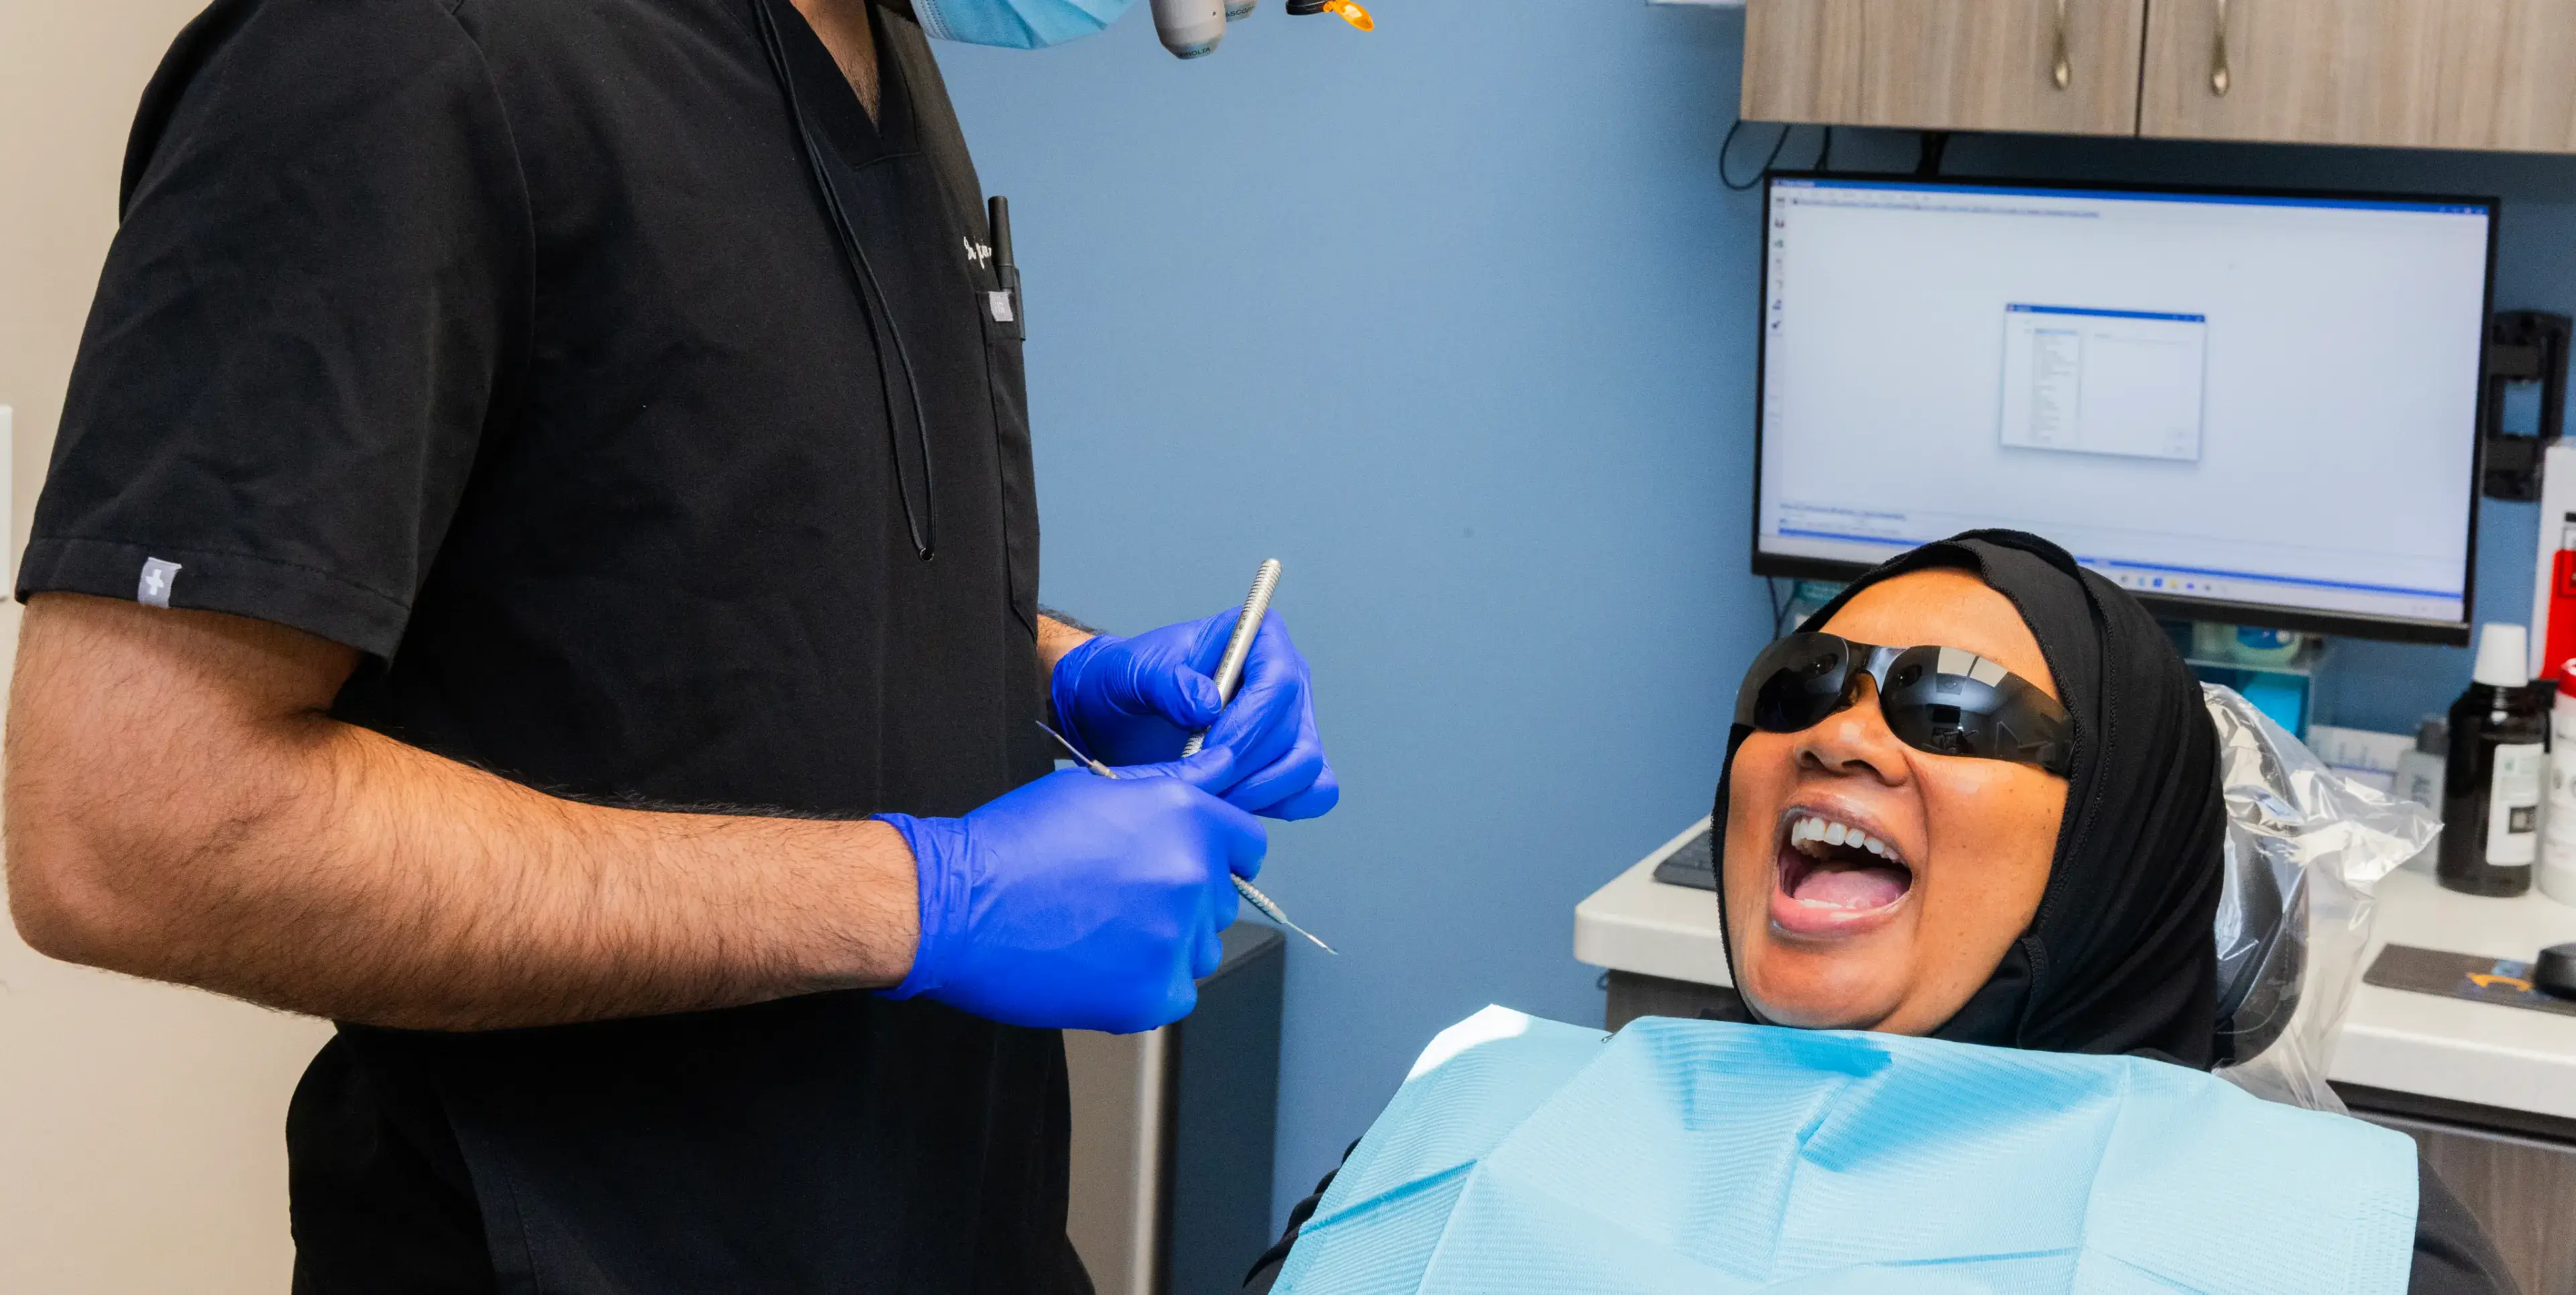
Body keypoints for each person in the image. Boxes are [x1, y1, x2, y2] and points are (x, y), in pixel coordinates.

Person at [3, 0, 1334, 1291]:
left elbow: (692, 545)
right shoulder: (395, 49)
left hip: (957, 1224)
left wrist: (1049, 672)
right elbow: (127, 826)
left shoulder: (872, 42)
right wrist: (920, 896)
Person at [1245, 532, 2513, 1295]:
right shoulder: (1469, 1131)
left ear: (2119, 849)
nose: (1838, 733)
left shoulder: (2348, 1252)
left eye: (1952, 704)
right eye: (1796, 684)